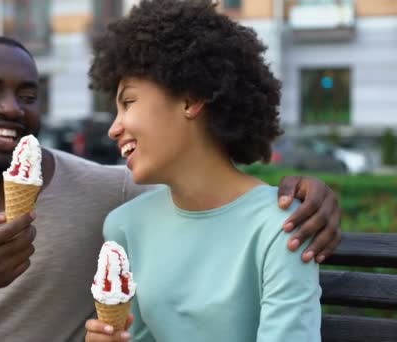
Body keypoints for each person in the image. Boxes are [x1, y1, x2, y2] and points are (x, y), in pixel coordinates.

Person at [0, 36, 340, 341]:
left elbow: (214, 200)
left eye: (28, 95)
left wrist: (307, 194)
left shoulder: (112, 198)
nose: (12, 107)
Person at [85, 1, 325, 341]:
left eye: (129, 103)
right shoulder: (125, 227)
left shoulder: (280, 227)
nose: (114, 128)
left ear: (190, 100)